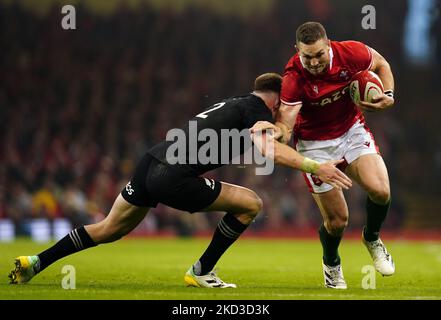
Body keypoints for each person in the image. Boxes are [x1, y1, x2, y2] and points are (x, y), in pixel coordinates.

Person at [9, 73, 352, 288]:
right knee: (251, 204)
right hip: (172, 175)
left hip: (151, 162)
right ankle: (202, 271)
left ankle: (35, 262)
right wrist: (313, 165)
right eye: (286, 107)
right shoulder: (257, 111)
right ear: (277, 100)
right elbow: (271, 151)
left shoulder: (234, 104)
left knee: (109, 228)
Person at [254, 22, 396, 289]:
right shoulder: (294, 78)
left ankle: (372, 237)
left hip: (351, 130)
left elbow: (382, 65)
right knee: (337, 221)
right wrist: (274, 134)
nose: (314, 62)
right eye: (307, 56)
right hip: (314, 144)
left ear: (328, 45)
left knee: (381, 191)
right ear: (297, 51)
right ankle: (331, 263)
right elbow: (286, 126)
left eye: (319, 54)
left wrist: (387, 94)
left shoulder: (351, 53)